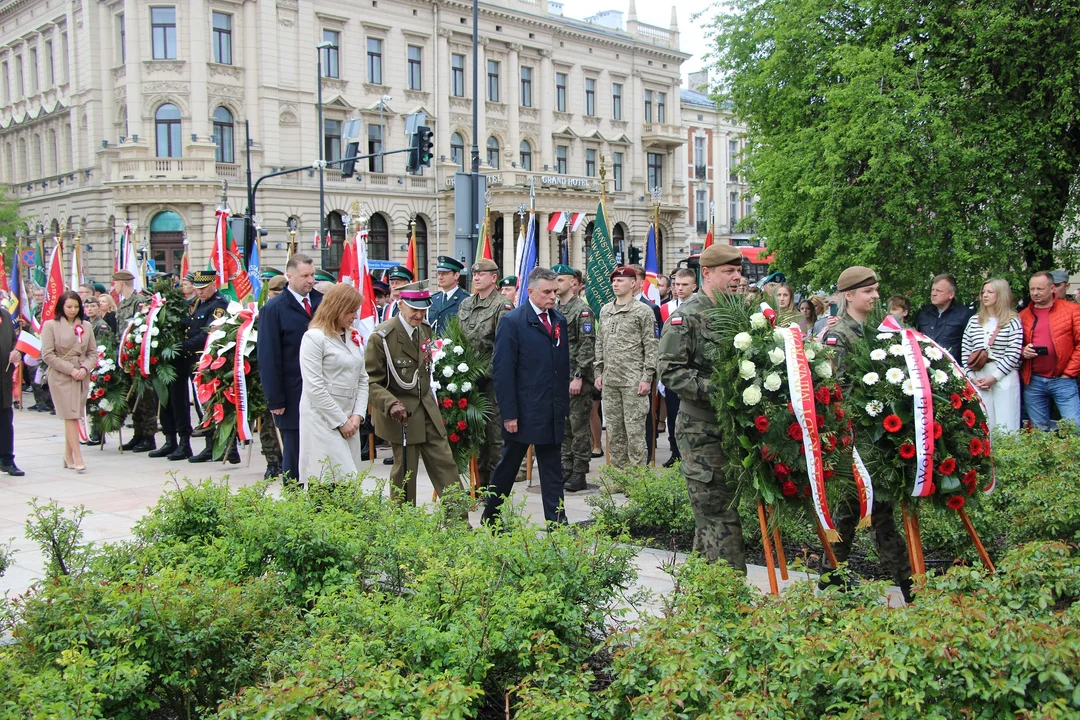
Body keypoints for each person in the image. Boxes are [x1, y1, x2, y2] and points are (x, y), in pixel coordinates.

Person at [822, 266, 912, 601]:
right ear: (848, 295)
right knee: (876, 508)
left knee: (854, 509)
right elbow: (835, 388)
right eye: (868, 292)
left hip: (880, 435)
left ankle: (831, 574)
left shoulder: (877, 331)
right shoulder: (839, 334)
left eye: (876, 291)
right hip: (856, 438)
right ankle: (909, 583)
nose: (875, 297)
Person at [658, 245, 746, 569]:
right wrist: (720, 390)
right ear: (706, 274)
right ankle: (732, 599)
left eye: (738, 271)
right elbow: (669, 370)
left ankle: (698, 590)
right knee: (719, 515)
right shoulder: (686, 317)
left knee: (712, 513)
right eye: (728, 271)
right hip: (700, 430)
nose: (736, 277)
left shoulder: (738, 313)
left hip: (734, 429)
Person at [365, 283, 468, 508]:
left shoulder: (424, 330)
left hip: (427, 410)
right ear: (400, 304)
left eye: (423, 310)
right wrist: (390, 404)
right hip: (401, 414)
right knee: (405, 476)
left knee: (446, 467)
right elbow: (371, 382)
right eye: (414, 309)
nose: (419, 315)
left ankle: (459, 523)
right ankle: (404, 526)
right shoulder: (382, 337)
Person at [482, 267, 570, 526]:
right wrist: (509, 413)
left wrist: (562, 406)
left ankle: (557, 523)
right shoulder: (513, 321)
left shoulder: (558, 320)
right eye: (546, 292)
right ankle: (492, 514)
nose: (552, 296)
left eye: (555, 291)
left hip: (551, 407)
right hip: (522, 410)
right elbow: (503, 370)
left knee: (552, 467)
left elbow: (561, 367)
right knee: (509, 465)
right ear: (530, 292)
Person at [258, 253, 323, 484]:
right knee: (294, 452)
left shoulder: (322, 302)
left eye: (312, 275)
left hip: (322, 391)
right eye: (304, 276)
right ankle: (294, 500)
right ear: (289, 276)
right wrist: (275, 400)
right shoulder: (274, 309)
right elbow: (268, 357)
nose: (310, 280)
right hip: (292, 392)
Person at [298, 283, 370, 484]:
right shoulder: (314, 337)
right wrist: (341, 421)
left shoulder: (352, 336)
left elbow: (363, 378)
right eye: (350, 311)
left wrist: (357, 415)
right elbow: (314, 387)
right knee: (328, 477)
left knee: (349, 479)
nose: (354, 316)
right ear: (336, 308)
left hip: (350, 419)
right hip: (322, 418)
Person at [457, 258, 514, 490]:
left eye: (482, 274)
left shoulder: (502, 306)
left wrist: (483, 373)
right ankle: (479, 485)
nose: (477, 277)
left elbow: (503, 347)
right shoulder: (466, 305)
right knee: (475, 434)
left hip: (491, 381)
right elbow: (459, 339)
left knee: (494, 436)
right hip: (466, 379)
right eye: (474, 274)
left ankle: (497, 488)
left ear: (494, 278)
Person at [594, 266, 658, 468]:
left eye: (621, 281)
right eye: (614, 281)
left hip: (633, 381)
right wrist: (598, 371)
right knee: (614, 432)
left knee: (635, 432)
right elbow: (600, 342)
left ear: (633, 283)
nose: (615, 284)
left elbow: (651, 345)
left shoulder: (643, 311)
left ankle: (637, 480)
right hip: (610, 380)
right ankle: (619, 476)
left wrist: (647, 376)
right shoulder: (606, 310)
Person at [174, 271, 233, 463]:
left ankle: (218, 446)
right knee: (202, 404)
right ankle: (210, 444)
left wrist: (181, 347)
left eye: (203, 288)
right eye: (197, 289)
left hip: (207, 362)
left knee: (208, 404)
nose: (199, 292)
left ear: (213, 284)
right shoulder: (200, 303)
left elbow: (207, 335)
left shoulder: (218, 305)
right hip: (194, 361)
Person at [40, 291, 97, 472]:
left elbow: (92, 352)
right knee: (71, 415)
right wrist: (70, 369)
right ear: (61, 307)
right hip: (61, 375)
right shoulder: (51, 326)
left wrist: (84, 368)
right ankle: (77, 456)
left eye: (76, 306)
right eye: (69, 306)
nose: (73, 310)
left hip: (81, 374)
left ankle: (67, 454)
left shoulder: (86, 326)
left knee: (74, 414)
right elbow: (47, 354)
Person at [1018, 271, 1080, 430]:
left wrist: (1068, 374)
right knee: (1039, 432)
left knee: (1075, 429)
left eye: (1039, 289)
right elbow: (1014, 345)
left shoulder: (1072, 311)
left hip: (1063, 379)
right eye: (1032, 289)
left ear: (1052, 288)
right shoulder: (1023, 315)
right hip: (1033, 380)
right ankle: (1046, 456)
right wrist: (1023, 352)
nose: (1035, 293)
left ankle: (1072, 456)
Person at [962, 278, 1023, 432]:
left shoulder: (1012, 321)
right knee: (983, 423)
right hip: (979, 375)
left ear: (1001, 295)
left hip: (1004, 375)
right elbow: (966, 351)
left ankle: (1006, 456)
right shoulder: (974, 320)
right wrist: (972, 377)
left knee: (1006, 423)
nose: (985, 295)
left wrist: (994, 377)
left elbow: (1013, 353)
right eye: (983, 292)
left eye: (990, 292)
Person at [554, 265, 595, 491]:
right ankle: (566, 467)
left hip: (575, 377)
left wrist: (579, 376)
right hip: (559, 377)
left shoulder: (582, 310)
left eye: (560, 280)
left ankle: (579, 471)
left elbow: (587, 345)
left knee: (578, 426)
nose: (555, 284)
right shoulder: (555, 308)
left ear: (572, 283)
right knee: (563, 427)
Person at [112, 269, 156, 452]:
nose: (114, 287)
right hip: (126, 358)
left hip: (139, 358)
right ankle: (138, 434)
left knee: (145, 398)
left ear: (121, 283)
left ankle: (148, 436)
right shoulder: (122, 305)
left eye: (115, 283)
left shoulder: (140, 302)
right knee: (133, 399)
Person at [659, 268, 698, 467]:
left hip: (691, 369)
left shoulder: (698, 307)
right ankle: (675, 452)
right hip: (672, 369)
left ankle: (688, 454)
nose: (679, 288)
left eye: (684, 285)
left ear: (694, 286)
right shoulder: (665, 308)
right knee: (673, 415)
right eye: (676, 285)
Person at [256, 274, 289, 478]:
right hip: (266, 378)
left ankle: (287, 460)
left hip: (287, 377)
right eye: (273, 293)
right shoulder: (261, 313)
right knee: (267, 423)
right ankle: (272, 461)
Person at [914, 273, 973, 361]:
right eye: (933, 290)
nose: (933, 294)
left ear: (951, 295)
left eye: (939, 291)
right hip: (923, 365)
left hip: (952, 367)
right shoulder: (923, 313)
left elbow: (970, 345)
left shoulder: (964, 314)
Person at [0, 306, 24, 475]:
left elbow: (15, 341)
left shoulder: (5, 316)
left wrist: (17, 351)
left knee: (5, 421)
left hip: (3, 379)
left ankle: (7, 459)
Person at [428, 256, 466, 334]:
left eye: (444, 274)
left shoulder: (466, 299)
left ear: (456, 275)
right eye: (438, 274)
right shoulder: (433, 299)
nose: (440, 277)